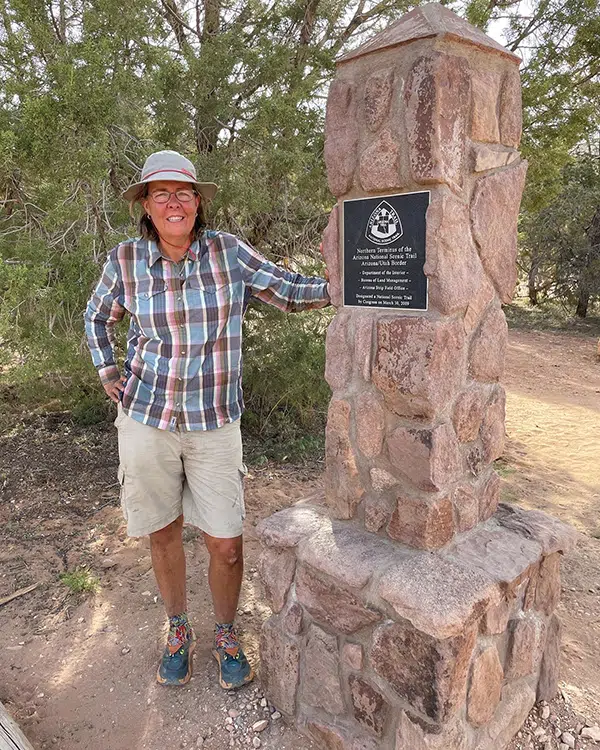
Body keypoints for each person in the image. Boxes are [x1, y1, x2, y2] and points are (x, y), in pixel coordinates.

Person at [84, 150, 330, 688]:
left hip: (215, 421)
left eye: (184, 193)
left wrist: (345, 282)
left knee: (225, 541)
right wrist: (108, 371)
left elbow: (286, 291)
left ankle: (224, 630)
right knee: (163, 532)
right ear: (146, 206)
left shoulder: (227, 254)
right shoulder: (125, 261)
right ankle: (178, 629)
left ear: (198, 202)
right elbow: (97, 314)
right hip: (147, 419)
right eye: (161, 194)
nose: (174, 203)